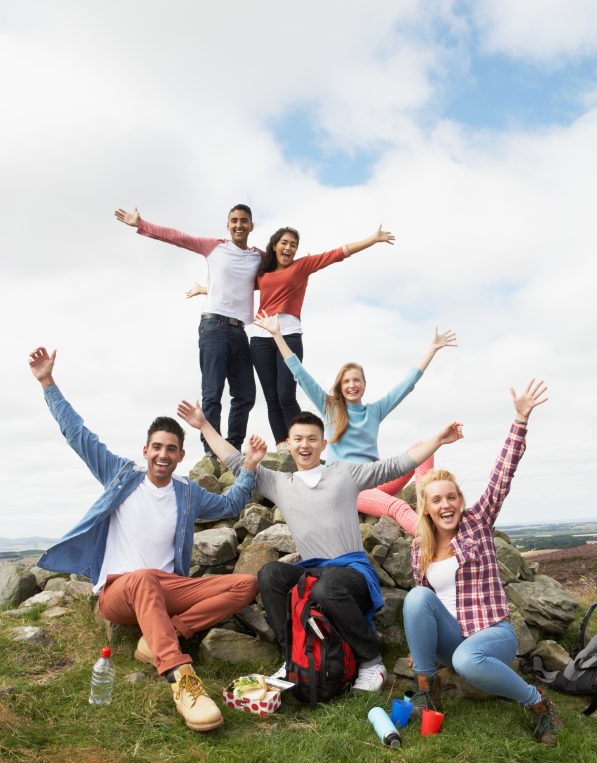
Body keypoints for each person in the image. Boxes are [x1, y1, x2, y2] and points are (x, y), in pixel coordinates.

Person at [29, 346, 267, 733]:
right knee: (142, 577)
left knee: (246, 584)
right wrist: (47, 382)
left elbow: (231, 504)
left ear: (180, 456)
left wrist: (251, 468)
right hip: (120, 591)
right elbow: (78, 435)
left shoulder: (187, 493)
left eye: (170, 449)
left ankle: (163, 635)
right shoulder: (122, 476)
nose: (162, 454)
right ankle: (180, 677)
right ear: (145, 451)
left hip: (168, 587)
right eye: (156, 447)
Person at [177, 400, 463, 692]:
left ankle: (371, 661)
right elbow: (237, 462)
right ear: (288, 444)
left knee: (327, 588)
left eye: (312, 439)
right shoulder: (279, 483)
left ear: (323, 444)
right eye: (298, 439)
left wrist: (437, 440)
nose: (305, 445)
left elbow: (393, 466)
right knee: (270, 575)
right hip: (314, 571)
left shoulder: (344, 473)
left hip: (352, 573)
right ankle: (294, 659)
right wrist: (203, 425)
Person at [402, 379, 562, 745]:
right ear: (425, 508)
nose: (445, 505)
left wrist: (519, 421)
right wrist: (419, 651)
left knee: (468, 661)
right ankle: (427, 691)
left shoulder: (478, 522)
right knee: (415, 598)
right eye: (436, 500)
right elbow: (423, 608)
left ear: (460, 499)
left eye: (451, 497)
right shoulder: (419, 548)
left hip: (492, 633)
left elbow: (502, 475)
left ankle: (538, 704)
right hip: (452, 638)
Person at [253, 313, 456, 533]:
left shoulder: (375, 411)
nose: (352, 385)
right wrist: (277, 335)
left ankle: (429, 502)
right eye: (346, 381)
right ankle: (434, 538)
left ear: (364, 385)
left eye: (356, 380)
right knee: (398, 506)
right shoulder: (331, 409)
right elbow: (299, 373)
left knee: (421, 447)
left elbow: (407, 384)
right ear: (340, 386)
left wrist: (432, 349)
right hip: (349, 487)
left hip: (377, 478)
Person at [114, 204, 261, 454]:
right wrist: (142, 224)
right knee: (212, 393)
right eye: (234, 220)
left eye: (244, 221)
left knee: (245, 395)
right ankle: (212, 451)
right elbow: (179, 238)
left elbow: (272, 277)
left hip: (239, 330)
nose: (239, 225)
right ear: (228, 225)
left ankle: (232, 447)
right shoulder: (215, 247)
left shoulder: (258, 256)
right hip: (214, 326)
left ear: (251, 226)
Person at [249, 224, 395, 449]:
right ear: (275, 246)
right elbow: (235, 287)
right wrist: (206, 290)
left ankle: (298, 441)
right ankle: (282, 446)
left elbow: (337, 254)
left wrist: (372, 239)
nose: (289, 248)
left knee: (286, 394)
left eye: (293, 245)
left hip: (289, 334)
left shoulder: (302, 266)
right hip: (260, 336)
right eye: (284, 243)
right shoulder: (263, 272)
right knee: (271, 397)